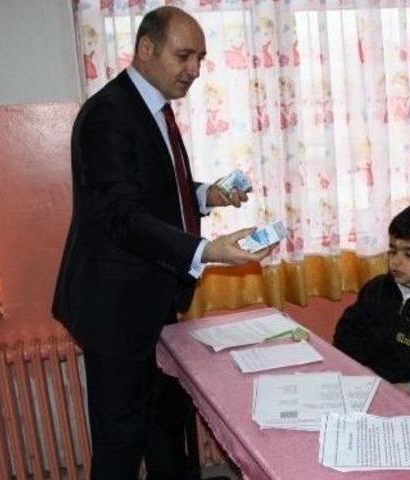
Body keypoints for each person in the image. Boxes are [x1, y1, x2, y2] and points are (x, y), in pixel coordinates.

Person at [52, 6, 270, 479]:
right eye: (184, 56)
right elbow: (121, 217)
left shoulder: (152, 109)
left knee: (167, 431)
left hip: (151, 302)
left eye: (201, 58)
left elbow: (154, 192)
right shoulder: (108, 115)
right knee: (122, 442)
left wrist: (204, 196)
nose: (194, 70)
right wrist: (206, 250)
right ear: (146, 49)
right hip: (115, 309)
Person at [333, 204, 410, 407]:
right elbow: (347, 331)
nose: (396, 262)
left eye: (409, 255)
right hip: (365, 381)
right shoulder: (377, 289)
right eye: (392, 251)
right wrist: (361, 370)